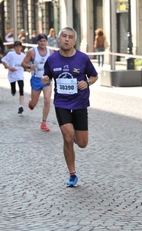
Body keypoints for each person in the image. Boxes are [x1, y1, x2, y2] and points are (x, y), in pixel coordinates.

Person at [42, 27, 98, 187]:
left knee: (82, 143)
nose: (67, 39)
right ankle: (72, 174)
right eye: (64, 36)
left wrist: (86, 82)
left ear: (74, 41)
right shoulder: (52, 60)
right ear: (58, 39)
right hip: (62, 104)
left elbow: (94, 76)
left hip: (80, 103)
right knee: (67, 138)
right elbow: (47, 77)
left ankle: (75, 134)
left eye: (70, 37)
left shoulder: (83, 58)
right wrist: (45, 79)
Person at [21, 33, 54, 132]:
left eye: (44, 41)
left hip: (47, 79)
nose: (42, 43)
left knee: (47, 100)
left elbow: (55, 64)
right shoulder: (32, 52)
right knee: (34, 103)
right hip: (36, 79)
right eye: (40, 41)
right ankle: (31, 103)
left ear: (46, 42)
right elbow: (23, 63)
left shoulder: (51, 52)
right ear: (37, 42)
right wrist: (29, 67)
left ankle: (44, 123)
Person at [1, 41, 26, 114]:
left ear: (21, 47)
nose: (18, 48)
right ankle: (13, 89)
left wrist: (27, 69)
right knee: (13, 90)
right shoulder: (11, 54)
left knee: (21, 88)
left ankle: (20, 106)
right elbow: (3, 61)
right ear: (14, 47)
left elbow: (25, 64)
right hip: (12, 75)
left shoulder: (23, 55)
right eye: (16, 47)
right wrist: (9, 67)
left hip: (20, 75)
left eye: (19, 47)